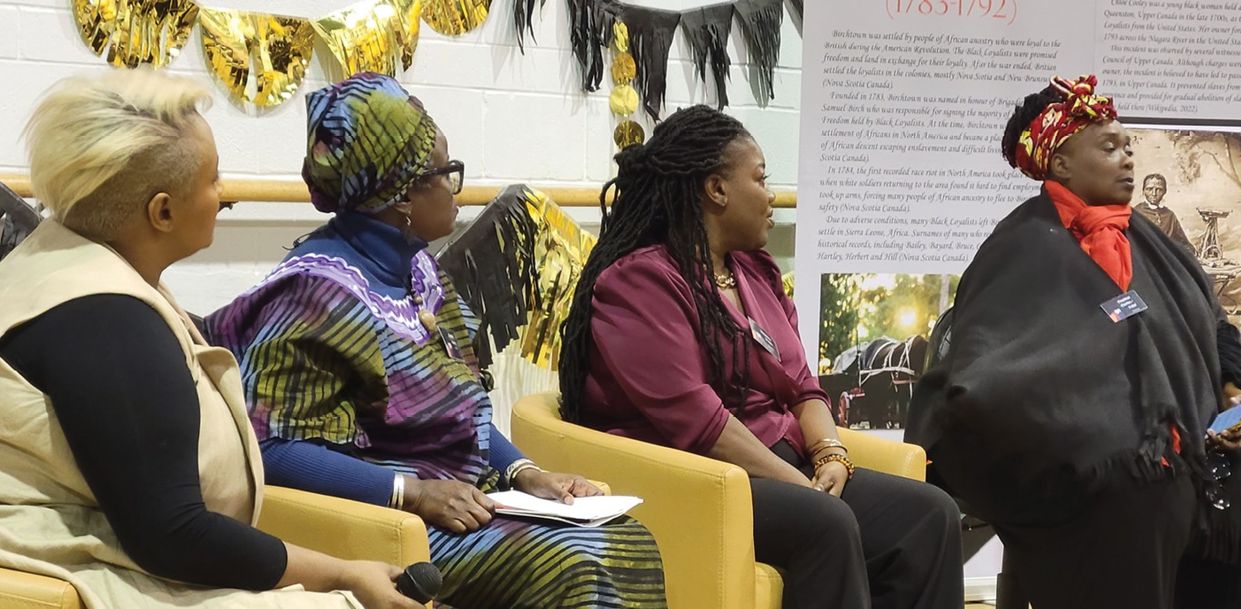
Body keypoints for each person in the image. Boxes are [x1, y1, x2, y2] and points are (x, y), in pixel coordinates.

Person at [204, 73, 667, 609]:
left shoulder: (418, 268)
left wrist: (527, 473)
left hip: (463, 497)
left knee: (627, 540)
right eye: (447, 173)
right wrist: (413, 492)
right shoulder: (315, 293)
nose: (456, 188)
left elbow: (462, 405)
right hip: (388, 517)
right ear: (402, 194)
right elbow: (270, 448)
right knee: (577, 564)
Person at [0, 70, 418, 609]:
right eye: (213, 179)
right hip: (80, 570)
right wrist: (345, 574)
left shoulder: (58, 262)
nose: (225, 194)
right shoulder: (107, 319)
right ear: (163, 211)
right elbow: (173, 535)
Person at [910, 75, 1241, 609]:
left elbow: (1214, 324)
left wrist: (1233, 389)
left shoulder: (1152, 240)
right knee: (1145, 489)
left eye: (1128, 146)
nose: (1127, 159)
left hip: (1181, 433)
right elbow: (989, 376)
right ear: (1061, 164)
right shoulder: (1020, 246)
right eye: (1108, 147)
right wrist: (1096, 423)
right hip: (1067, 447)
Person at [558, 105, 964, 609]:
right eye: (761, 178)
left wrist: (830, 455)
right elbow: (700, 423)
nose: (771, 196)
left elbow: (803, 386)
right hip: (698, 474)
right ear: (717, 189)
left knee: (931, 515)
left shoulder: (755, 272)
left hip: (778, 461)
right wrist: (800, 485)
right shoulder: (639, 281)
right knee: (827, 522)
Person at [1133, 173, 1197, 257]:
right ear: (1143, 190)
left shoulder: (1170, 215)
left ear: (1165, 191)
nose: (1154, 193)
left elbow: (1183, 242)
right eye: (1149, 189)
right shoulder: (1136, 213)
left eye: (1159, 189)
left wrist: (1192, 252)